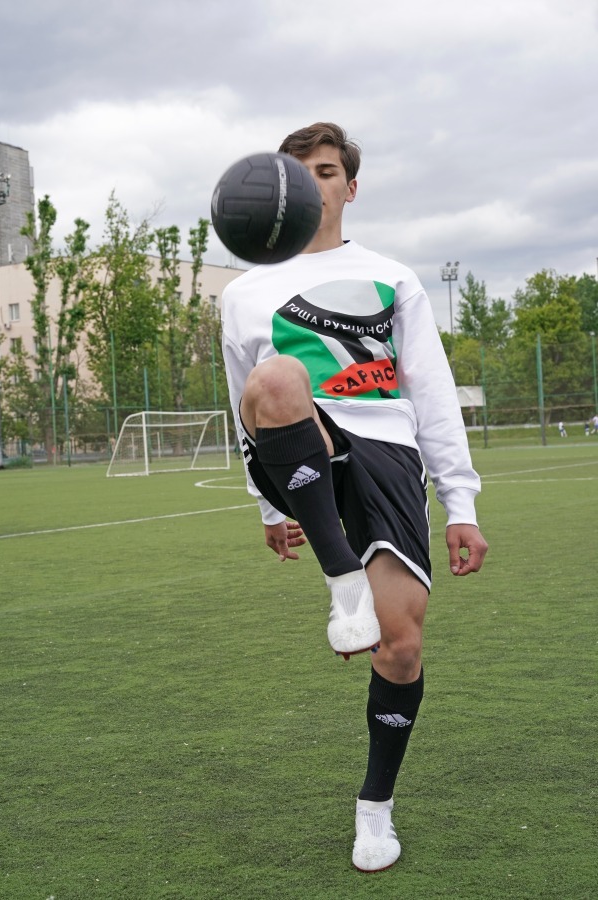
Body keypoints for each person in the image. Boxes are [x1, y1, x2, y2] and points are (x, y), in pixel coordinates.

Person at [221, 122, 488, 873]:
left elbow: (431, 392)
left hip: (385, 447)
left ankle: (375, 808)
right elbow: (240, 397)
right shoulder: (243, 293)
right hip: (292, 436)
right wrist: (267, 505)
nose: (315, 184)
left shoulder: (392, 278)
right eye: (299, 173)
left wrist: (462, 504)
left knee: (401, 644)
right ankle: (343, 577)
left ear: (351, 187)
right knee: (278, 377)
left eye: (327, 171)